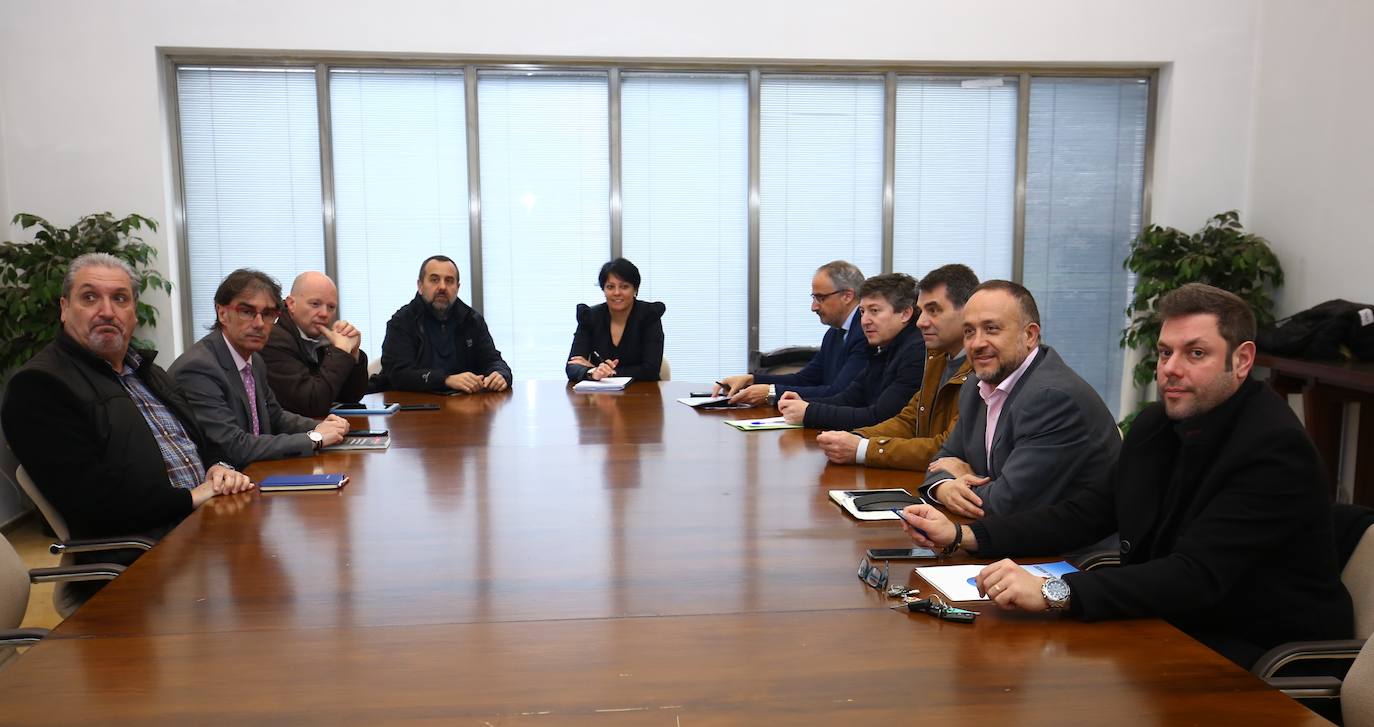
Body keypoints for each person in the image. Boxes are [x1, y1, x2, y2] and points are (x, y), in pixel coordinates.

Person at [899, 283, 1354, 669]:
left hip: (1255, 650)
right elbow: (1088, 513)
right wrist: (964, 535)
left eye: (1196, 353)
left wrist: (1056, 591)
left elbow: (1195, 577)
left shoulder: (1273, 448)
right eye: (1164, 351)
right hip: (1167, 623)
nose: (1171, 368)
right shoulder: (1159, 424)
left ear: (1242, 360)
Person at [0, 254, 254, 581]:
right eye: (89, 297)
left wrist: (219, 467)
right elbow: (91, 500)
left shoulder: (149, 373)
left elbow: (201, 442)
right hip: (146, 559)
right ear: (64, 308)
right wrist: (190, 497)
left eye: (120, 298)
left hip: (204, 529)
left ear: (133, 313)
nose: (107, 311)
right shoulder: (39, 386)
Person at [917, 280, 1119, 517]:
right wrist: (944, 487)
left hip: (1069, 549)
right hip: (1007, 537)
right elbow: (941, 461)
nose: (977, 343)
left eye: (991, 328)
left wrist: (962, 478)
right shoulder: (975, 385)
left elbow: (1006, 503)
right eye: (969, 331)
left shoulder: (1052, 398)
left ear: (1030, 335)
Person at [171, 269, 349, 467]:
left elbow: (275, 417)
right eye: (247, 312)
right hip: (220, 485)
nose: (259, 323)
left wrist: (323, 426)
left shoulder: (254, 359)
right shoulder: (198, 368)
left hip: (253, 476)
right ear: (222, 313)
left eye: (267, 314)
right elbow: (233, 447)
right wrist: (314, 438)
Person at [816, 264, 977, 470]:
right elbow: (909, 420)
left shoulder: (980, 369)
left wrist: (863, 448)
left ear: (967, 312)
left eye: (933, 311)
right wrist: (856, 437)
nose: (921, 322)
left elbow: (949, 447)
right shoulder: (936, 357)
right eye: (922, 311)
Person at [776, 273, 925, 430]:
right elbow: (850, 398)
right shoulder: (883, 346)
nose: (865, 321)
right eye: (862, 312)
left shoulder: (917, 351)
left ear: (905, 314)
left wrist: (809, 411)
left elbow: (880, 417)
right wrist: (804, 403)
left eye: (874, 311)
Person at [712, 260, 868, 406]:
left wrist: (771, 393)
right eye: (814, 298)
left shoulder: (866, 333)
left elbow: (840, 392)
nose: (813, 307)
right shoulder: (834, 333)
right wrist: (752, 380)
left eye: (820, 298)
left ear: (847, 296)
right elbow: (806, 379)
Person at [377, 255, 512, 394]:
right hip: (413, 408)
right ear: (420, 285)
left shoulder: (472, 320)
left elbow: (492, 360)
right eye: (434, 280)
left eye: (449, 281)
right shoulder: (402, 321)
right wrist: (445, 380)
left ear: (457, 288)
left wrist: (500, 374)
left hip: (465, 407)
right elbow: (398, 374)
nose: (442, 287)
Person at [261, 271, 369, 418]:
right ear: (291, 304)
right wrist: (340, 352)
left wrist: (353, 353)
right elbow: (311, 405)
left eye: (331, 307)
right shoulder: (273, 340)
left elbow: (349, 397)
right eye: (315, 304)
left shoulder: (318, 338)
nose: (324, 314)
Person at [566, 258, 666, 382]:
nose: (617, 292)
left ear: (635, 289)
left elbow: (650, 370)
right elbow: (572, 366)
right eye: (610, 287)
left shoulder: (649, 315)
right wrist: (593, 372)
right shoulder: (590, 317)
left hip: (643, 394)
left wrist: (601, 371)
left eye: (624, 286)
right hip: (601, 396)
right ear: (603, 289)